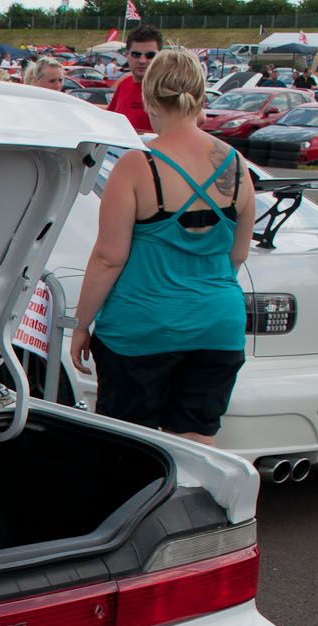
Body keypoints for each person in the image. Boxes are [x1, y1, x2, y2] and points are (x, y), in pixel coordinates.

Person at [71, 47, 255, 447]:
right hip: (217, 325)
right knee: (196, 442)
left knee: (129, 446)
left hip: (142, 327)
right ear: (200, 96)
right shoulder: (236, 166)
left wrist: (82, 323)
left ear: (149, 97)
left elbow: (108, 258)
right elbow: (237, 255)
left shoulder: (137, 166)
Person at [108, 24, 164, 134]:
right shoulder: (124, 84)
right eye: (136, 54)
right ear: (127, 55)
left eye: (150, 55)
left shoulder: (167, 89)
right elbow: (110, 116)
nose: (142, 61)